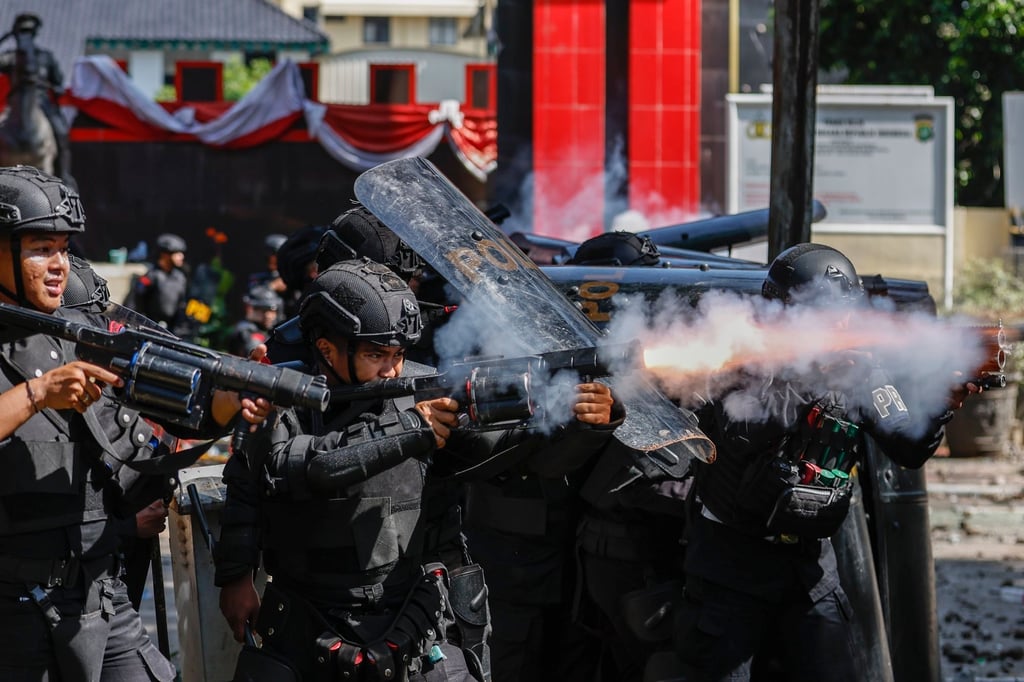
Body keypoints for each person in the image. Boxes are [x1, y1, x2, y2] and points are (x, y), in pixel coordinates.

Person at [214, 258, 622, 682]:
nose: (392, 370)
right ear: (327, 349)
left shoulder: (423, 391)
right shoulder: (282, 396)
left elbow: (511, 461)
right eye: (376, 355)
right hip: (309, 620)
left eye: (399, 355)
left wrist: (580, 423)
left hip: (413, 615)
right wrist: (235, 575)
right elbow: (287, 471)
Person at [0, 165, 270, 680]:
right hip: (12, 614)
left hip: (103, 598)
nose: (59, 265)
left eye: (64, 248)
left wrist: (232, 398)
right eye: (40, 248)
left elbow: (165, 412)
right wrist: (38, 393)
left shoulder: (79, 330)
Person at [672, 243, 976, 682]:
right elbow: (743, 434)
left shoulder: (858, 366)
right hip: (730, 568)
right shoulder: (739, 354)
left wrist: (942, 405)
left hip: (810, 570)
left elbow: (908, 447)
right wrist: (814, 384)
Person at [0, 13, 73, 184]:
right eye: (21, 32)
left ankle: (64, 176)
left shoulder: (45, 57)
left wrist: (56, 88)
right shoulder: (10, 57)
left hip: (43, 104)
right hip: (14, 105)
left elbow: (59, 83)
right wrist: (5, 38)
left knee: (61, 131)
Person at [125, 232, 191, 337]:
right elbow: (134, 303)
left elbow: (181, 306)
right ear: (165, 254)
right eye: (176, 253)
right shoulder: (151, 277)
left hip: (170, 332)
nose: (181, 256)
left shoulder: (180, 278)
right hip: (148, 329)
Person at [226, 284, 283, 358]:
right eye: (263, 309)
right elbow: (255, 353)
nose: (269, 315)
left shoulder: (267, 329)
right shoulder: (247, 330)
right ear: (250, 308)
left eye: (272, 311)